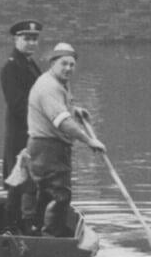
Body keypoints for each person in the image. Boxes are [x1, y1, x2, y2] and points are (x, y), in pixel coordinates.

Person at [25, 43, 105, 237]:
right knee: (61, 195)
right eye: (64, 64)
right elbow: (62, 122)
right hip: (49, 147)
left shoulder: (58, 82)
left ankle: (36, 232)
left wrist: (74, 111)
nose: (69, 68)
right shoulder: (49, 86)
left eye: (72, 64)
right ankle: (53, 237)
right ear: (53, 63)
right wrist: (89, 141)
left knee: (44, 193)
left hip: (42, 146)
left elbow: (59, 109)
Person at [0, 19, 43, 231]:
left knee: (31, 182)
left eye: (34, 39)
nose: (31, 43)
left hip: (34, 132)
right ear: (16, 39)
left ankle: (27, 225)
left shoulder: (31, 64)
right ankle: (10, 229)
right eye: (26, 38)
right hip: (20, 134)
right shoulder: (11, 67)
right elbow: (17, 105)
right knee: (18, 182)